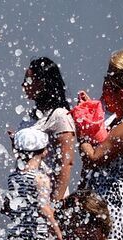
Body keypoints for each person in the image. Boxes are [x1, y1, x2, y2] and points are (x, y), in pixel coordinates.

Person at [78, 57, 123, 240]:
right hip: (110, 202)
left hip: (116, 205)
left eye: (107, 92)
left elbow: (94, 158)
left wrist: (82, 133)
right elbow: (103, 138)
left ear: (122, 94)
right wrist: (90, 111)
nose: (104, 98)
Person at [19, 57, 76, 201]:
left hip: (48, 194)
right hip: (27, 194)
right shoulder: (32, 117)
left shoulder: (59, 115)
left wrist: (56, 202)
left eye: (28, 80)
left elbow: (66, 162)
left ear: (42, 84)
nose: (23, 84)